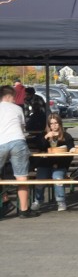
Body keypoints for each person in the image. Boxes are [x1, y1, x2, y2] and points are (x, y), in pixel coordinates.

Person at [0, 85, 38, 218]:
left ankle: (5, 199)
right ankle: (24, 210)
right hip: (18, 141)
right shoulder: (17, 108)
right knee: (21, 176)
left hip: (1, 142)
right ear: (10, 96)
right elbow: (22, 128)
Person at [32, 114, 74, 212]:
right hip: (45, 163)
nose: (54, 126)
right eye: (51, 124)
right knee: (40, 179)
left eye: (56, 123)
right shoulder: (44, 135)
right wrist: (46, 137)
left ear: (59, 124)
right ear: (48, 125)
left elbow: (71, 148)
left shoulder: (66, 136)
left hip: (60, 164)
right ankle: (38, 201)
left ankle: (60, 201)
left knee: (57, 177)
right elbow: (39, 146)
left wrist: (71, 150)